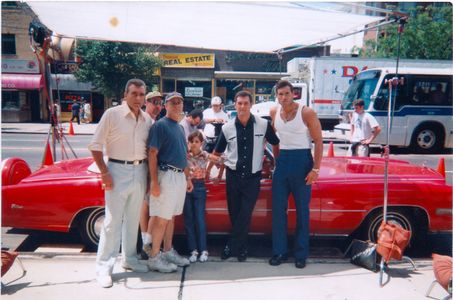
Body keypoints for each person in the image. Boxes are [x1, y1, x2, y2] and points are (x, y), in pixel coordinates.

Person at [88, 78, 151, 288]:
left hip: (139, 170)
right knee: (112, 222)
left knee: (133, 219)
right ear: (125, 95)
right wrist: (104, 172)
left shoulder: (146, 119)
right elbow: (95, 146)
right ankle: (104, 267)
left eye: (141, 94)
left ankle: (130, 259)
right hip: (116, 170)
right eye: (134, 94)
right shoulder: (112, 115)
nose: (138, 98)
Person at [212, 90, 279, 262]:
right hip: (233, 176)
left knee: (245, 213)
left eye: (246, 103)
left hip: (252, 177)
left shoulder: (263, 125)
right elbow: (217, 152)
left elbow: (276, 143)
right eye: (239, 103)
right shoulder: (227, 128)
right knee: (235, 214)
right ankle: (242, 249)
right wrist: (211, 168)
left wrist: (276, 163)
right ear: (235, 105)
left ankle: (230, 246)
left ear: (251, 105)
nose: (242, 106)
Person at [269, 80, 323, 269]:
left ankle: (301, 254)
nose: (283, 97)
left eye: (286, 93)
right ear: (277, 95)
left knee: (302, 211)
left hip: (302, 161)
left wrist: (315, 169)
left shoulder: (306, 112)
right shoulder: (274, 112)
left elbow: (318, 141)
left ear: (294, 94)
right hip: (283, 162)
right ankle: (279, 251)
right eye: (280, 94)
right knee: (278, 211)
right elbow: (274, 140)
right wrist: (276, 162)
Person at [147, 91, 193, 273]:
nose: (176, 106)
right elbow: (152, 154)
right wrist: (155, 183)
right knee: (161, 218)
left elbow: (184, 155)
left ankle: (167, 251)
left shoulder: (180, 128)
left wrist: (187, 177)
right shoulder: (160, 126)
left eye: (179, 103)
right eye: (172, 103)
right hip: (165, 175)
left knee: (171, 217)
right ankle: (154, 257)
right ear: (166, 106)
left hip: (179, 176)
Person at [184, 131, 219, 263]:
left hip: (199, 187)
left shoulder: (204, 155)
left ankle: (203, 250)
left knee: (199, 219)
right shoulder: (185, 155)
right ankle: (193, 250)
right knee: (188, 220)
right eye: (191, 141)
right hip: (186, 187)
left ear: (201, 143)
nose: (194, 144)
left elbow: (220, 159)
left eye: (197, 141)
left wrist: (218, 171)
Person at [139, 91, 164, 259]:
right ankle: (145, 242)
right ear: (146, 102)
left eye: (159, 103)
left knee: (151, 204)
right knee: (146, 204)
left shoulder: (155, 122)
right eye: (154, 102)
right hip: (142, 166)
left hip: (151, 167)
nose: (157, 106)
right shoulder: (142, 120)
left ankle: (147, 242)